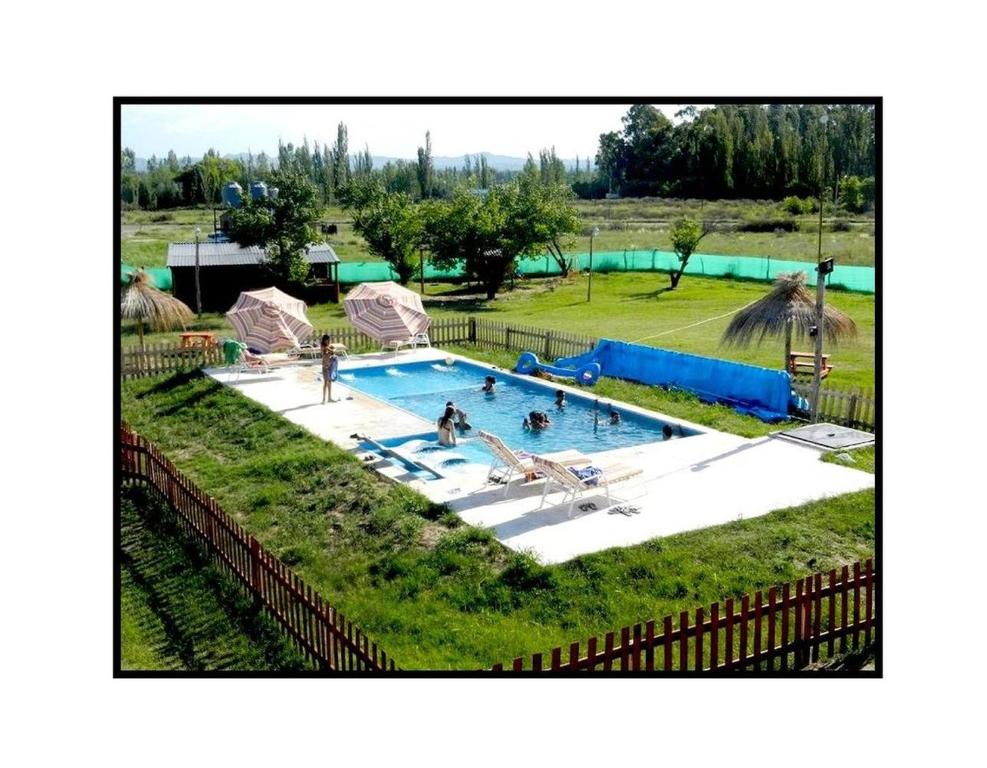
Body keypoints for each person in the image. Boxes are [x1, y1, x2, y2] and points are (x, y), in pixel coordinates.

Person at [320, 334, 338, 404]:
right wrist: (332, 349)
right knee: (325, 383)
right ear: (324, 340)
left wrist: (332, 348)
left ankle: (329, 398)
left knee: (330, 382)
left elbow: (332, 349)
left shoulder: (328, 346)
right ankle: (324, 399)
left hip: (330, 366)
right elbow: (332, 351)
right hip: (325, 367)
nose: (328, 341)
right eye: (327, 340)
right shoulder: (323, 347)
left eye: (328, 340)